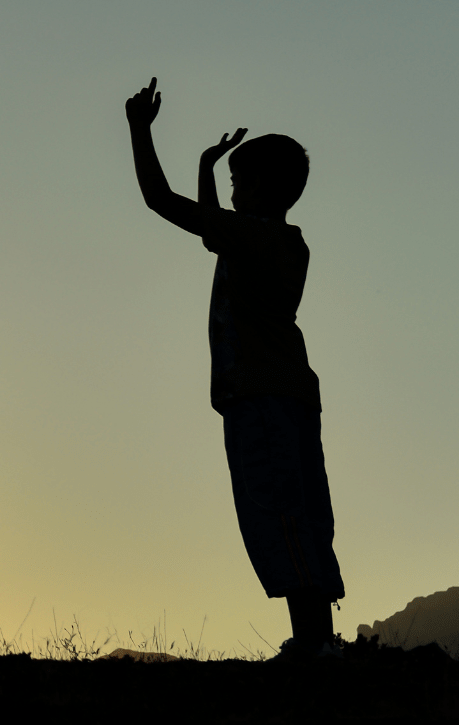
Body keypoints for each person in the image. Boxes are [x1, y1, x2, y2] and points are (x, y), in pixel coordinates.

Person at [123, 78, 344, 658]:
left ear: (264, 185)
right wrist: (205, 167)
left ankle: (315, 643)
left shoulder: (259, 237)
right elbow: (209, 224)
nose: (232, 191)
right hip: (278, 393)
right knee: (297, 508)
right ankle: (315, 638)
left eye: (238, 180)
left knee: (281, 507)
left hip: (264, 395)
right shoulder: (268, 239)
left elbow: (163, 203)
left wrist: (139, 130)